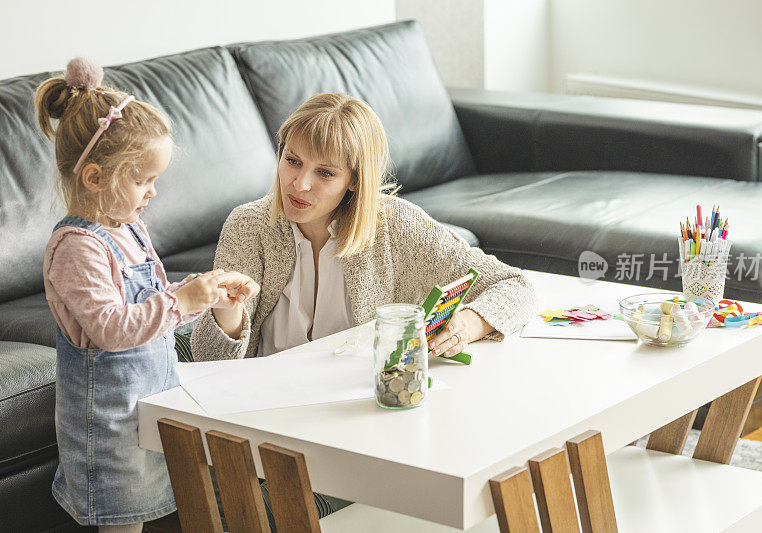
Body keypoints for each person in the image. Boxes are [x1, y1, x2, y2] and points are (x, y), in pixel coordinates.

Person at [35, 58, 258, 532]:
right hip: (110, 426)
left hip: (151, 405)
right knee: (122, 523)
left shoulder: (129, 228)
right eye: (143, 180)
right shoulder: (77, 247)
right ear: (94, 178)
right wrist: (186, 301)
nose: (153, 193)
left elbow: (149, 303)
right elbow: (113, 329)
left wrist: (205, 292)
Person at [191, 92, 535, 361]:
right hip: (265, 407)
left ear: (355, 180)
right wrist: (227, 311)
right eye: (292, 161)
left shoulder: (395, 225)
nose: (300, 184)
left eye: (325, 172)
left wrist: (468, 324)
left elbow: (514, 285)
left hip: (359, 407)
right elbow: (212, 360)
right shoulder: (248, 226)